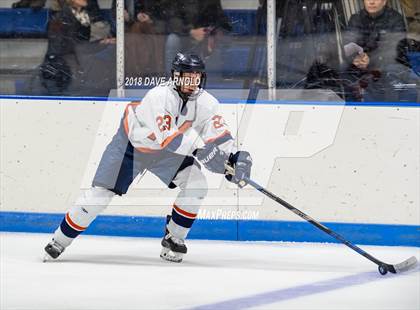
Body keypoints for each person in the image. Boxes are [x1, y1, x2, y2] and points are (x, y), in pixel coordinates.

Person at [43, 53, 253, 263]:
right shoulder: (159, 97)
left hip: (166, 153)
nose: (192, 82)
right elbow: (169, 139)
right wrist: (202, 152)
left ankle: (174, 238)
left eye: (196, 77)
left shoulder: (207, 102)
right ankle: (58, 241)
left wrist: (234, 157)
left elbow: (218, 133)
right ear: (176, 76)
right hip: (130, 146)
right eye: (187, 76)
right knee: (99, 197)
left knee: (196, 185)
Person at [343, 0, 407, 101]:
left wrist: (370, 60)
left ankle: (390, 111)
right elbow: (348, 44)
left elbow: (395, 49)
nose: (371, 2)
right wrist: (355, 58)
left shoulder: (395, 19)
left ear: (385, 1)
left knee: (391, 74)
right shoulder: (356, 18)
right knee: (342, 73)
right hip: (362, 65)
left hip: (388, 65)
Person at [164, 0, 232, 72]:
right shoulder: (178, 3)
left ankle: (213, 79)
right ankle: (172, 78)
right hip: (184, 35)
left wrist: (211, 32)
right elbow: (172, 21)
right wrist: (191, 32)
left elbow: (222, 21)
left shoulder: (211, 2)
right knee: (172, 40)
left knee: (217, 43)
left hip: (206, 37)